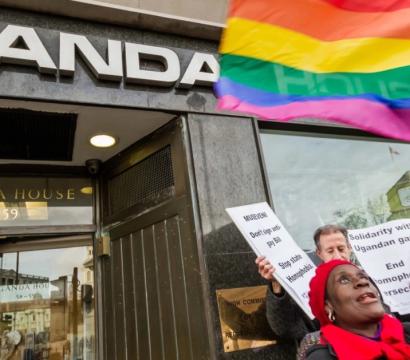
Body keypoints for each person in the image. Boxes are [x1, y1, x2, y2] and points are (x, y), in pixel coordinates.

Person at [256, 224, 352, 342]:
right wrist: (276, 281)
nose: (337, 256)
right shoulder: (309, 287)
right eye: (330, 251)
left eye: (341, 249)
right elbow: (283, 327)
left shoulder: (367, 279)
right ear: (319, 253)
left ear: (349, 248)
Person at [305, 259, 410, 359]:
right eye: (344, 280)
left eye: (364, 277)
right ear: (328, 306)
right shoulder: (322, 357)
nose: (363, 282)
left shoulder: (406, 332)